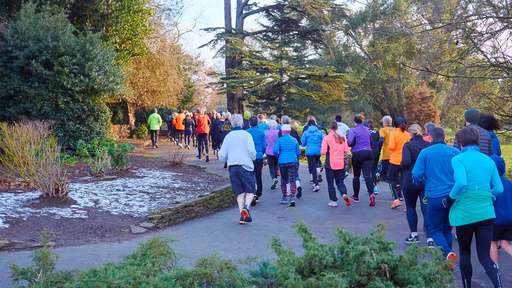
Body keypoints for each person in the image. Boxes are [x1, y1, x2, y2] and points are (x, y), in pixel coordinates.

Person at [447, 127, 503, 287]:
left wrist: (449, 198)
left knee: (465, 252)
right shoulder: (489, 160)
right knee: (485, 257)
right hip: (486, 213)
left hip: (464, 213)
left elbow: (461, 182)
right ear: (477, 141)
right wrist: (488, 194)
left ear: (460, 143)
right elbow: (499, 189)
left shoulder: (458, 159)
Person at [412, 127, 459, 265]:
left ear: (430, 138)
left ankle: (447, 251)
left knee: (434, 229)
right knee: (447, 228)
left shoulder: (425, 153)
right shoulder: (455, 152)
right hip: (452, 195)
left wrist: (420, 181)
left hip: (434, 195)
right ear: (444, 137)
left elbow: (416, 174)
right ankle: (448, 257)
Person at [218, 114, 257, 225]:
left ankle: (242, 216)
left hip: (233, 166)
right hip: (245, 165)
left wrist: (227, 159)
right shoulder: (246, 135)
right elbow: (251, 151)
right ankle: (246, 207)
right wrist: (254, 157)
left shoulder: (228, 136)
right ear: (242, 123)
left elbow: (222, 155)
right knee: (250, 191)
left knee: (239, 192)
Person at [401, 124, 433, 247]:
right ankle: (430, 237)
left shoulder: (408, 145)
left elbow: (406, 162)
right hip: (425, 181)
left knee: (410, 207)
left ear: (410, 133)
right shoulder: (427, 145)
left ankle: (414, 235)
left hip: (410, 181)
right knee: (426, 208)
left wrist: (401, 165)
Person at [347, 114, 376, 206]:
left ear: (354, 121)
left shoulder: (353, 130)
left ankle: (356, 196)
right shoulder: (367, 130)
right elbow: (372, 143)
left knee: (356, 176)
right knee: (367, 176)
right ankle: (371, 194)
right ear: (363, 121)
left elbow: (349, 142)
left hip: (357, 153)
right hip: (368, 153)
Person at [321, 122, 351, 207]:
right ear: (337, 128)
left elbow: (323, 152)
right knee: (340, 182)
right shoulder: (342, 138)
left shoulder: (326, 138)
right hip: (340, 163)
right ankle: (344, 194)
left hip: (330, 164)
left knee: (330, 183)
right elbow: (347, 151)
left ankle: (333, 201)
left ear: (330, 128)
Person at [490, 155, 512, 265]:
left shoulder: (491, 183)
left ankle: (495, 267)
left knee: (492, 242)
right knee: (505, 243)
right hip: (510, 217)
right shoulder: (509, 182)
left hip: (496, 218)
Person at [273, 124, 301, 207]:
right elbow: (298, 152)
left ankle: (284, 197)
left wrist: (278, 156)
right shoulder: (294, 140)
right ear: (289, 132)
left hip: (282, 162)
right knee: (292, 179)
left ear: (282, 132)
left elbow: (275, 151)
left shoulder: (279, 140)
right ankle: (292, 198)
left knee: (284, 179)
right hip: (293, 161)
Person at [387, 116, 410, 209]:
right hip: (405, 161)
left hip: (395, 161)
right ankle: (407, 204)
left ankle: (396, 199)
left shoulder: (393, 133)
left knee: (391, 180)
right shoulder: (408, 134)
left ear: (395, 124)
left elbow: (391, 147)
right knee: (404, 182)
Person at [247, 116, 266, 205]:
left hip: (249, 157)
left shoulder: (247, 132)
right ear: (257, 123)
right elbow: (264, 146)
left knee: (250, 175)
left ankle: (252, 192)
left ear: (250, 123)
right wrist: (262, 153)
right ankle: (258, 193)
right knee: (258, 175)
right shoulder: (261, 132)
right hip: (258, 156)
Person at [301, 118, 324, 192]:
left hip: (310, 152)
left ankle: (316, 183)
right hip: (318, 152)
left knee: (312, 167)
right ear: (315, 124)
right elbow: (323, 142)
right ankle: (316, 177)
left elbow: (303, 143)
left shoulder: (306, 132)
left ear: (308, 124)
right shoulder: (320, 132)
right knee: (316, 165)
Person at [366, 119, 381, 194]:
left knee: (368, 170)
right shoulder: (376, 132)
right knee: (374, 169)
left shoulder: (366, 132)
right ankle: (375, 187)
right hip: (376, 152)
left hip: (368, 152)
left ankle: (371, 187)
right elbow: (379, 141)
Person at [265, 120, 280, 190]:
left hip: (269, 151)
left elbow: (265, 143)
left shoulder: (266, 132)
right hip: (277, 151)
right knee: (276, 165)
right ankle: (276, 178)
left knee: (271, 166)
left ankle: (274, 179)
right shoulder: (278, 132)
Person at [379, 115, 393, 181]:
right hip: (394, 155)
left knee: (384, 170)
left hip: (386, 154)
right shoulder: (395, 129)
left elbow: (381, 140)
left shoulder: (383, 130)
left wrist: (377, 149)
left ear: (384, 123)